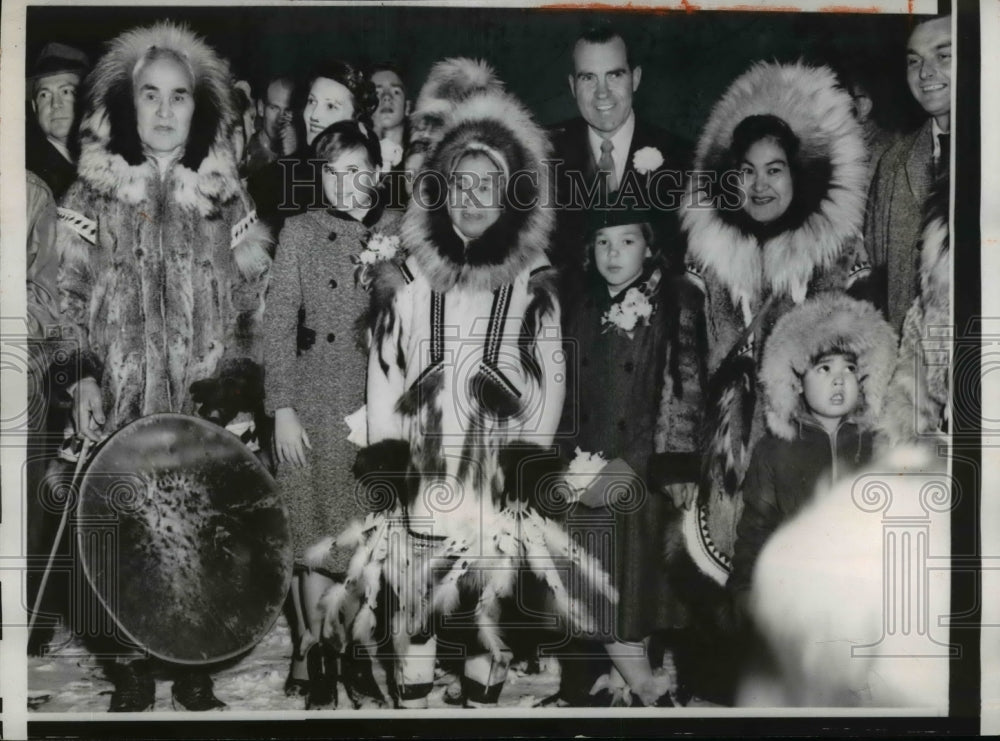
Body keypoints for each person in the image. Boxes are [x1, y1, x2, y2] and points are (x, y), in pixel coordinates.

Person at [314, 60, 610, 710]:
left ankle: (480, 695)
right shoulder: (413, 273)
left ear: (510, 196)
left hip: (495, 471)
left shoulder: (532, 279)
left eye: (488, 186)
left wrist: (529, 454)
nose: (472, 199)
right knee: (416, 594)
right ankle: (414, 699)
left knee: (484, 599)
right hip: (425, 466)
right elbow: (385, 366)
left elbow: (549, 374)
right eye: (460, 185)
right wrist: (388, 450)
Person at [55, 21, 271, 712]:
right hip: (119, 400)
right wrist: (81, 370)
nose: (165, 110)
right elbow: (61, 292)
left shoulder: (225, 195)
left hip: (199, 406)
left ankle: (195, 658)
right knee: (120, 530)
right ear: (126, 102)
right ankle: (126, 663)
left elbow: (253, 301)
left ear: (199, 107)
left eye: (179, 96)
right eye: (150, 95)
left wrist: (235, 381)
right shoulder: (91, 193)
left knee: (198, 527)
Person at [675, 60, 872, 703]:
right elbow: (683, 359)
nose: (759, 185)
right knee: (724, 594)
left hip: (799, 453)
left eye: (775, 169)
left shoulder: (834, 256)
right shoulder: (707, 258)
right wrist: (679, 455)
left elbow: (854, 365)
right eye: (747, 171)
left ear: (799, 174)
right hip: (722, 458)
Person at [263, 119, 400, 709]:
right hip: (313, 396)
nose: (347, 184)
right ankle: (320, 654)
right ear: (319, 178)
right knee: (316, 534)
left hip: (377, 396)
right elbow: (275, 322)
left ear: (377, 171)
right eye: (333, 172)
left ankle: (358, 653)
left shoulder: (400, 230)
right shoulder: (299, 230)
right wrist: (281, 408)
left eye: (358, 170)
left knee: (369, 536)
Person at [551, 208, 702, 707]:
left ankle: (637, 680)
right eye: (603, 243)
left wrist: (660, 461)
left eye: (627, 242)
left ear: (648, 247)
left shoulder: (671, 301)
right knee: (590, 576)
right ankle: (629, 680)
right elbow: (566, 387)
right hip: (585, 458)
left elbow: (681, 385)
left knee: (631, 582)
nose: (613, 255)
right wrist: (563, 456)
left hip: (639, 460)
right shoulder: (578, 304)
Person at [728, 294, 897, 607]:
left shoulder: (879, 443)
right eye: (823, 368)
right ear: (796, 380)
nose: (838, 380)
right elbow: (757, 528)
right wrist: (746, 595)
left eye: (849, 368)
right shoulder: (775, 449)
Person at [549, 21, 690, 284]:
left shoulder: (682, 157)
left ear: (635, 78)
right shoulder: (542, 154)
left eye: (614, 75)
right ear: (572, 86)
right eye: (588, 77)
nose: (602, 93)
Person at [865, 14, 951, 332]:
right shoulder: (893, 163)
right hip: (910, 366)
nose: (926, 72)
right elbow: (877, 270)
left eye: (944, 56)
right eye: (914, 61)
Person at [248, 60, 376, 235]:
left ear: (357, 119)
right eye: (312, 101)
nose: (314, 115)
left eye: (331, 106)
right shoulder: (271, 179)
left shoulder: (368, 184)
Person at [26, 42, 89, 200]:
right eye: (44, 95)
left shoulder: (108, 156)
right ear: (35, 107)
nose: (55, 104)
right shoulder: (30, 175)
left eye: (66, 91)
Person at [244, 75, 295, 178]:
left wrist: (292, 156)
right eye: (274, 108)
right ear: (261, 108)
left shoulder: (300, 156)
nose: (280, 118)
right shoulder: (243, 152)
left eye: (287, 110)